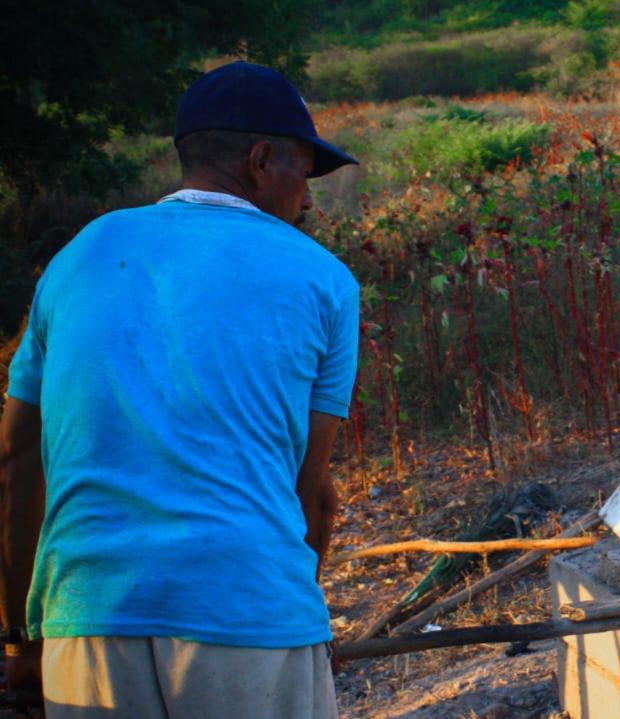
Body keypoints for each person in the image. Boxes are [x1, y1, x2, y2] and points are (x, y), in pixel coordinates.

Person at [0, 61, 360, 718]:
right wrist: (293, 619)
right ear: (260, 160)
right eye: (304, 174)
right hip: (246, 615)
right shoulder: (325, 279)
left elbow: (16, 457)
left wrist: (24, 641)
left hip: (87, 621)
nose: (307, 199)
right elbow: (306, 494)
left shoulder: (78, 254)